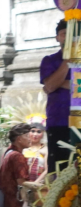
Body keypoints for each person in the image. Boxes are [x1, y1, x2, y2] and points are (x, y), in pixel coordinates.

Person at [41, 19, 73, 174]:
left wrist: (58, 82)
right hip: (59, 122)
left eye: (73, 34)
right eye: (64, 34)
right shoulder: (49, 60)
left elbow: (51, 85)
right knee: (59, 172)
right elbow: (50, 86)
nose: (68, 38)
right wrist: (68, 59)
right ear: (57, 37)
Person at [0, 123, 37, 207]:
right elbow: (23, 184)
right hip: (18, 205)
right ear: (19, 139)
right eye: (27, 136)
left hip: (9, 203)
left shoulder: (8, 152)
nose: (30, 139)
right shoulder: (17, 156)